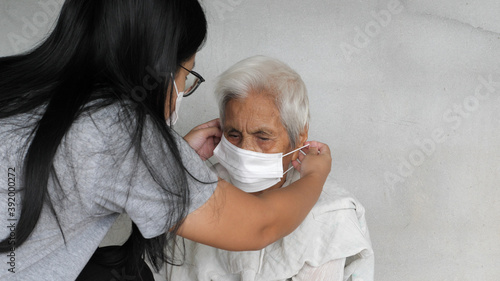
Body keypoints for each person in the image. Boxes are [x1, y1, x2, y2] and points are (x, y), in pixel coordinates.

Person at [0, 1, 332, 281]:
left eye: (262, 136)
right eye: (185, 76)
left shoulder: (14, 82)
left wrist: (169, 163)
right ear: (158, 70)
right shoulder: (121, 132)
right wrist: (316, 175)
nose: (244, 149)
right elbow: (260, 226)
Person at [167, 56, 374, 281]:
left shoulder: (328, 215)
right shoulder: (194, 188)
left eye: (263, 137)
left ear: (299, 138)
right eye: (234, 135)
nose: (245, 150)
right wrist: (180, 162)